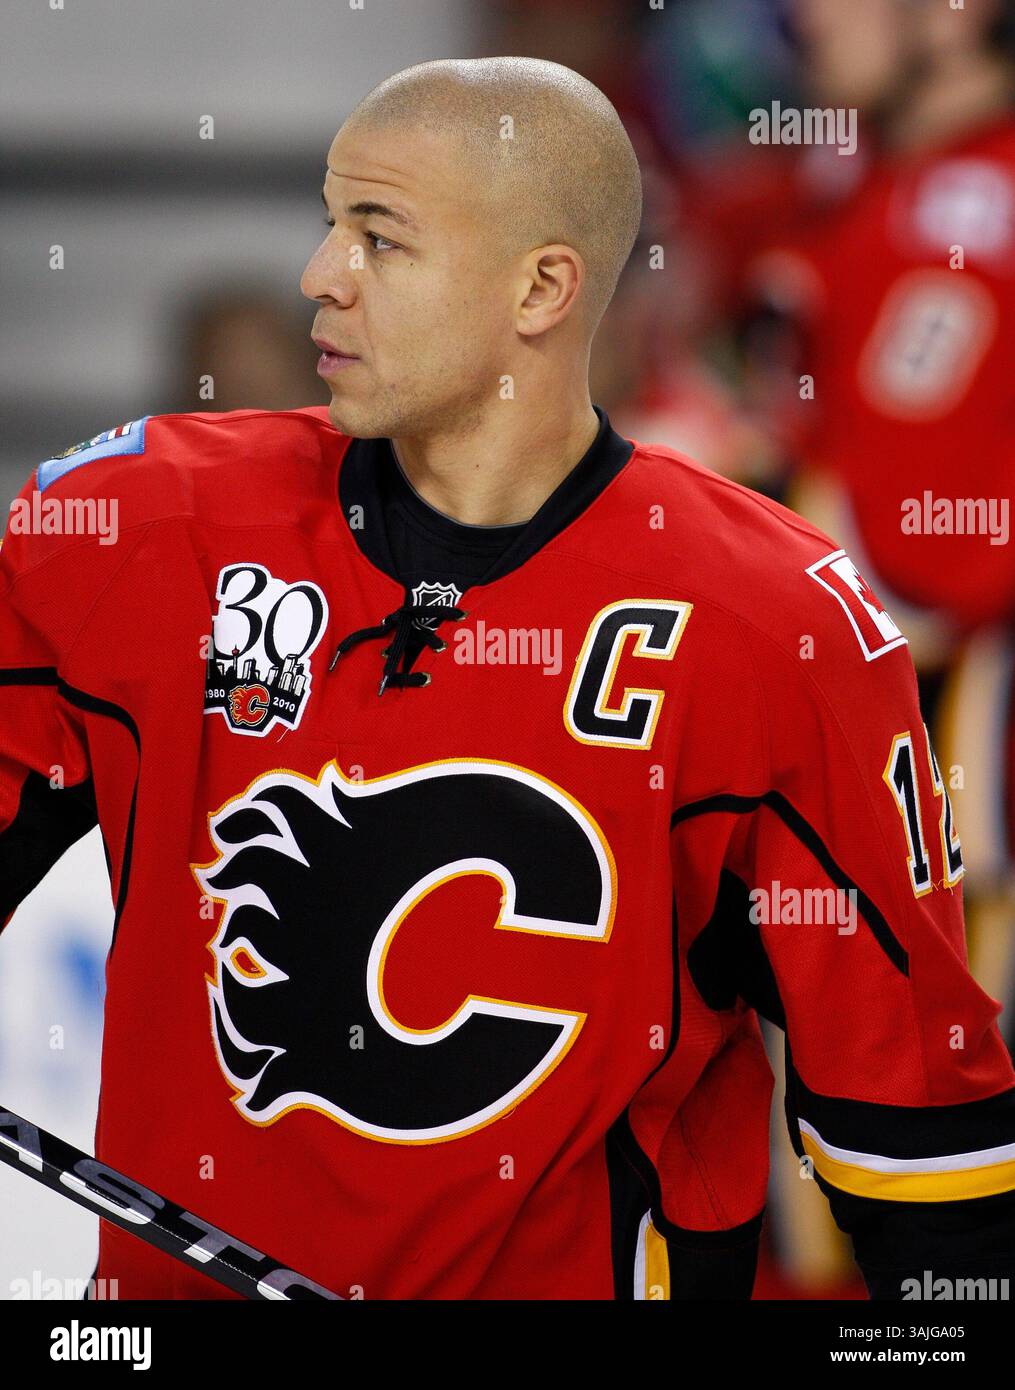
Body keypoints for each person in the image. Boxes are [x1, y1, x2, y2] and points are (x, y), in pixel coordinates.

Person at [2, 56, 1013, 1302]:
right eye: (330, 223)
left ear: (541, 287)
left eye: (380, 237)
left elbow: (917, 1146)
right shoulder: (142, 530)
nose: (321, 274)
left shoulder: (774, 621)